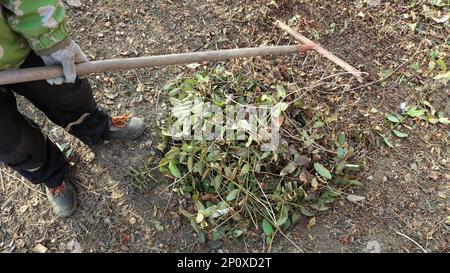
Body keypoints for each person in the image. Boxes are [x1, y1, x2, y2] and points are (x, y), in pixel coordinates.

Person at [0, 0, 145, 217]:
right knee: (9, 142)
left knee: (68, 92)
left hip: (16, 46)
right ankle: (52, 175)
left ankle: (96, 127)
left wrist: (52, 41)